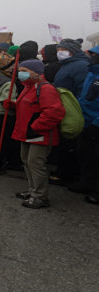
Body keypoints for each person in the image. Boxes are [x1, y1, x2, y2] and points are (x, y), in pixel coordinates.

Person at [8, 60, 65, 209]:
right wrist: (13, 105)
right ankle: (32, 190)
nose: (21, 74)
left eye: (24, 70)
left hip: (39, 134)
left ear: (36, 72)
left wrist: (35, 126)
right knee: (26, 160)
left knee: (36, 163)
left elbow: (54, 113)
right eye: (20, 70)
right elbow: (29, 106)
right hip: (26, 132)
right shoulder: (28, 87)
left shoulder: (46, 89)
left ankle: (40, 196)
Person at [51, 38, 89, 186]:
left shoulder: (81, 66)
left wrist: (76, 107)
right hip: (64, 108)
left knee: (69, 143)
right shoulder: (67, 64)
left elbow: (83, 89)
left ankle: (67, 174)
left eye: (62, 50)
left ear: (72, 51)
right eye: (58, 50)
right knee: (65, 143)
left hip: (73, 110)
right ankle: (65, 171)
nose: (59, 53)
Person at [76, 46, 99, 203]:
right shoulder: (91, 73)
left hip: (96, 123)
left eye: (94, 55)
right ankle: (86, 183)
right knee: (86, 155)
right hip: (85, 120)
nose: (91, 57)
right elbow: (84, 96)